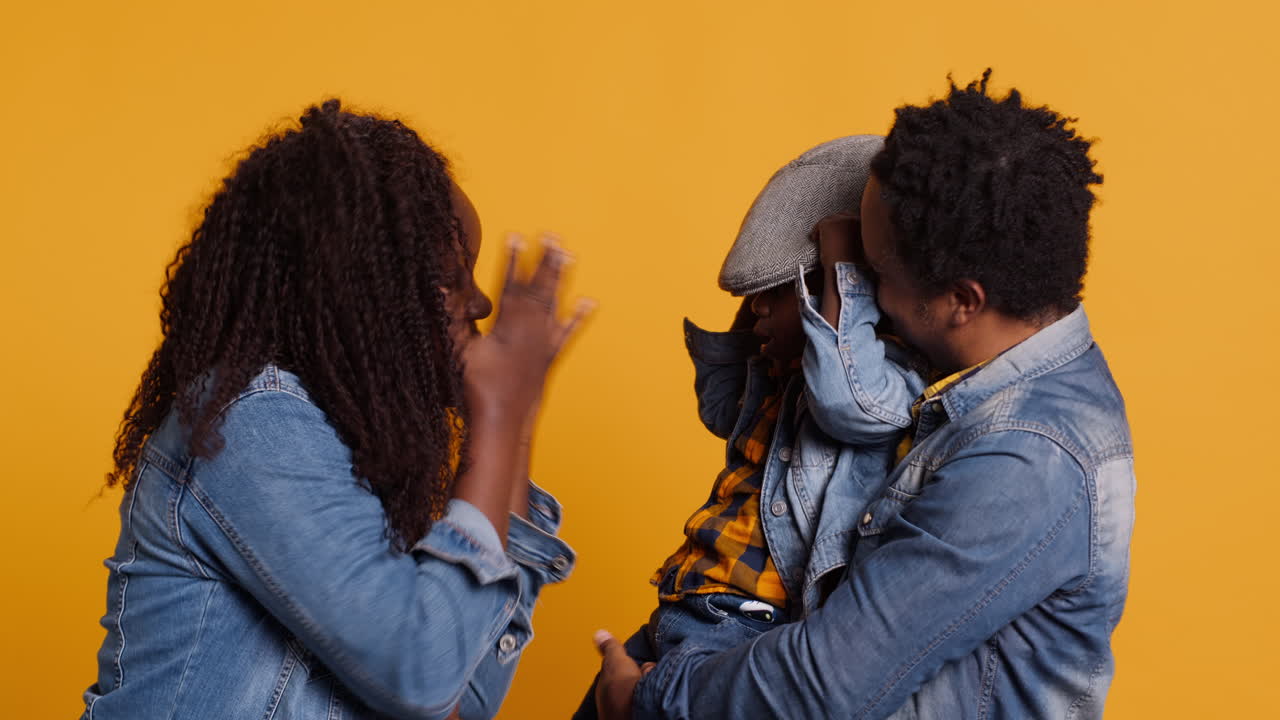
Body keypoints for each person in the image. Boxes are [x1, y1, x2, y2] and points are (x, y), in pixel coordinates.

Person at [595, 71, 1135, 719]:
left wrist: (645, 700)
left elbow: (825, 681)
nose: (863, 301)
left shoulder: (1025, 459)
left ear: (962, 301)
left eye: (875, 274)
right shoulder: (972, 396)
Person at [82, 100, 592, 720]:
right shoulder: (251, 424)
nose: (480, 304)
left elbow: (462, 698)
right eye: (445, 283)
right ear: (356, 291)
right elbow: (423, 673)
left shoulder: (361, 453)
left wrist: (515, 424)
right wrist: (497, 417)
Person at [573, 134, 927, 719]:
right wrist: (761, 307)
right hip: (685, 607)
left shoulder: (887, 376)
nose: (757, 307)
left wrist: (839, 259)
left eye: (774, 294)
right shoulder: (783, 377)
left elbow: (847, 402)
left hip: (743, 627)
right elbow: (719, 408)